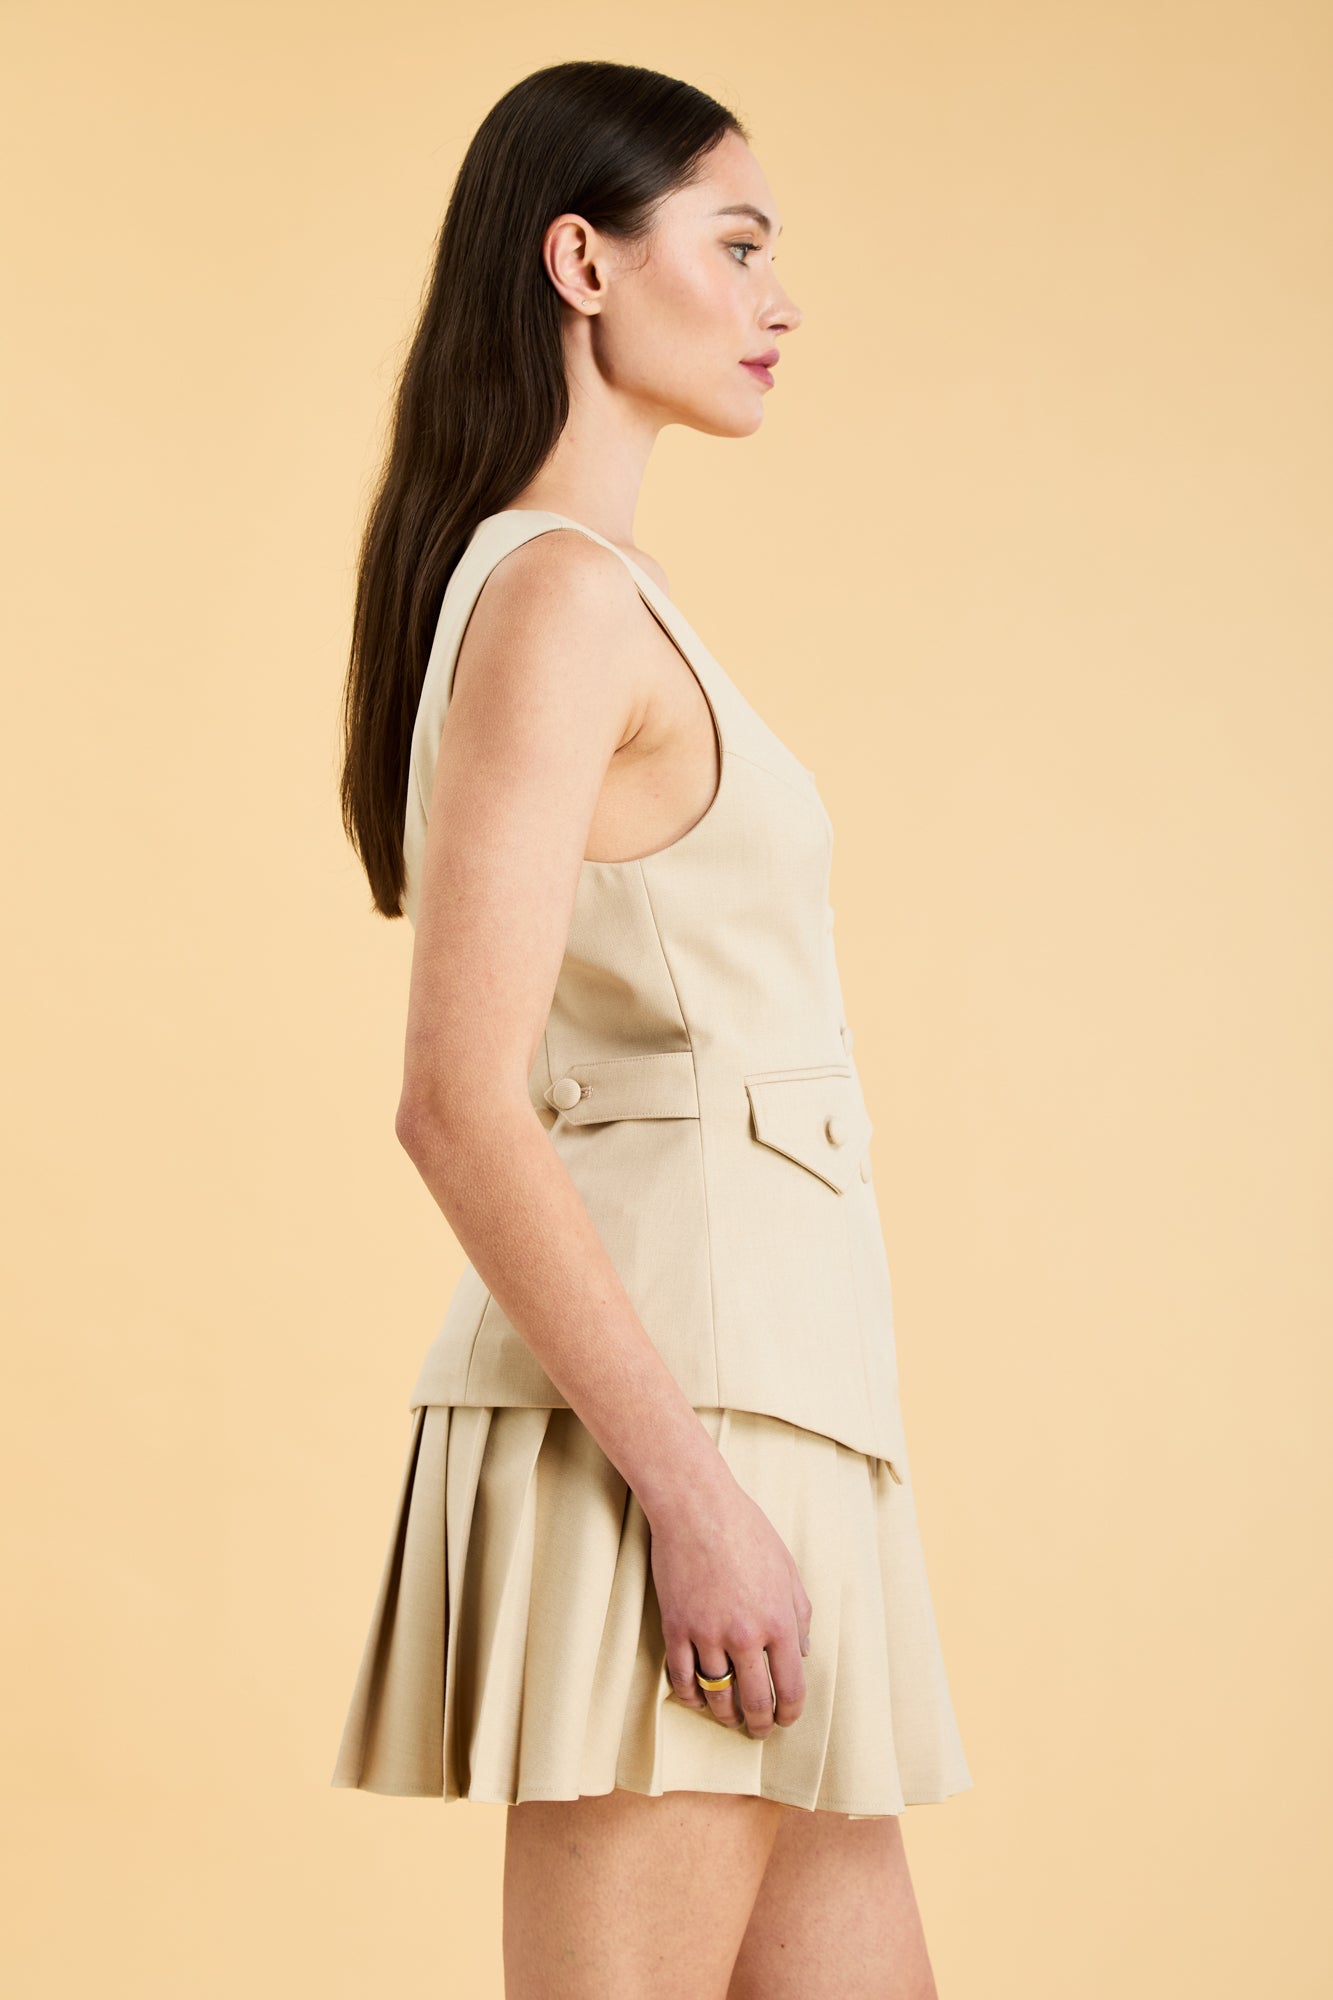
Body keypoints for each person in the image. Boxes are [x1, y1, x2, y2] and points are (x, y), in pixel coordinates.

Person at [331, 59, 972, 1999]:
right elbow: (455, 1103)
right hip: (684, 1423)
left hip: (773, 1403)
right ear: (582, 263)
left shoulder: (603, 598)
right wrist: (690, 1494)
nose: (780, 298)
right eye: (739, 243)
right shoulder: (558, 604)